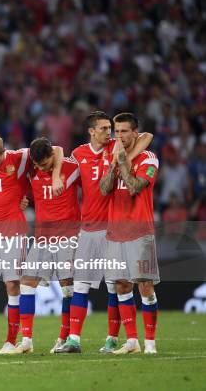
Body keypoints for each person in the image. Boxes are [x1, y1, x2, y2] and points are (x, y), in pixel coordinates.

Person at [57, 111, 152, 354]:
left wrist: (124, 156)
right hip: (88, 229)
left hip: (111, 228)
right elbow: (65, 177)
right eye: (103, 128)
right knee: (80, 285)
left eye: (110, 127)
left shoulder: (116, 146)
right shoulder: (78, 154)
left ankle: (111, 339)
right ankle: (73, 340)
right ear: (91, 131)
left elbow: (146, 136)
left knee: (115, 286)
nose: (109, 132)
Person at [0, 136, 63, 355]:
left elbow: (55, 149)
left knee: (13, 286)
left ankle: (10, 341)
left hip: (14, 235)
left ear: (4, 152)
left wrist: (55, 177)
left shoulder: (19, 157)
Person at [10, 138, 81, 355]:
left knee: (67, 288)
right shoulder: (32, 171)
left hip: (68, 236)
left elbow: (60, 149)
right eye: (38, 165)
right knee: (26, 283)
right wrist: (23, 200)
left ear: (52, 155)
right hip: (42, 238)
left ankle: (64, 337)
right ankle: (27, 341)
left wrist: (57, 171)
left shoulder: (70, 168)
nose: (42, 168)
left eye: (45, 164)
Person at [99, 113, 160, 355]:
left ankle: (151, 343)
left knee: (145, 286)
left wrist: (123, 161)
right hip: (116, 232)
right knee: (122, 285)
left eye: (124, 131)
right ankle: (132, 341)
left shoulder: (149, 159)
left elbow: (134, 187)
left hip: (140, 231)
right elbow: (104, 190)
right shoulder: (111, 154)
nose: (119, 136)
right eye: (117, 131)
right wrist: (113, 164)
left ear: (135, 133)